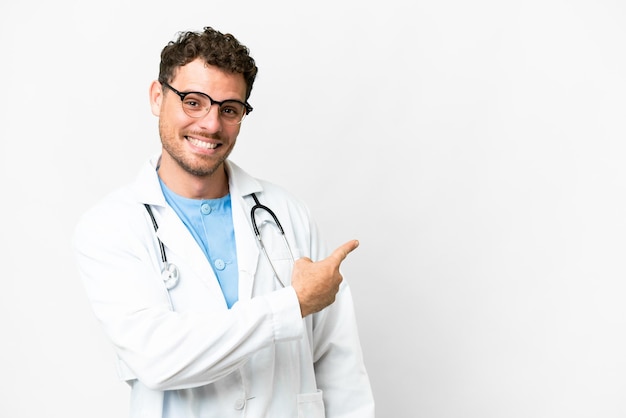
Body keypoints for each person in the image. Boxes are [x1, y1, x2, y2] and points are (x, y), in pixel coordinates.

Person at [73, 26, 375, 418]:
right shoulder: (110, 226)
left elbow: (340, 364)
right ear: (156, 97)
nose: (212, 125)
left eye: (229, 109)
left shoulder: (286, 214)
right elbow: (159, 359)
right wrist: (292, 304)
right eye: (193, 102)